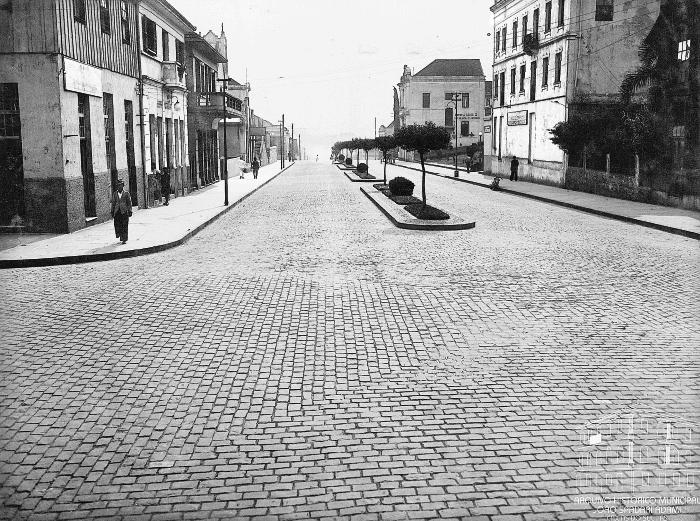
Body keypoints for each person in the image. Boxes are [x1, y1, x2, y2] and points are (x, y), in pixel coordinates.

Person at [111, 179, 132, 244]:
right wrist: (112, 211)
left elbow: (129, 203)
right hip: (117, 212)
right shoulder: (115, 194)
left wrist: (130, 210)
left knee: (125, 225)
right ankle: (120, 235)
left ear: (123, 186)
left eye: (121, 185)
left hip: (124, 211)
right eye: (118, 185)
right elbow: (113, 203)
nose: (119, 187)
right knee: (117, 224)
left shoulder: (126, 193)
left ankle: (124, 239)